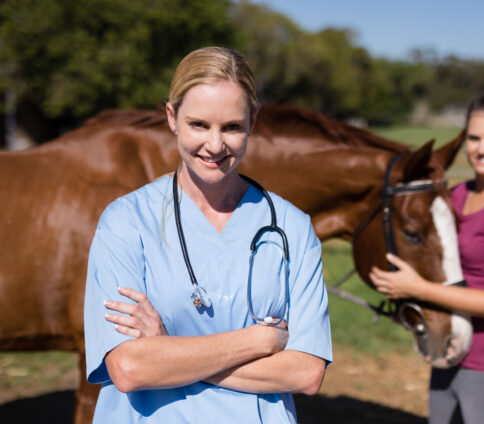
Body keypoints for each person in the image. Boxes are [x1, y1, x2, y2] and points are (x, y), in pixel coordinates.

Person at [84, 46, 332, 423]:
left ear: (253, 122)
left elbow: (306, 372)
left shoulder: (291, 227)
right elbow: (129, 369)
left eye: (231, 127)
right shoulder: (125, 222)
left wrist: (167, 351)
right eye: (199, 124)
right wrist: (258, 341)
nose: (215, 145)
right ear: (172, 117)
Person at [370, 94, 484, 424]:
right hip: (449, 350)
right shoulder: (457, 195)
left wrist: (417, 288)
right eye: (474, 138)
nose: (481, 148)